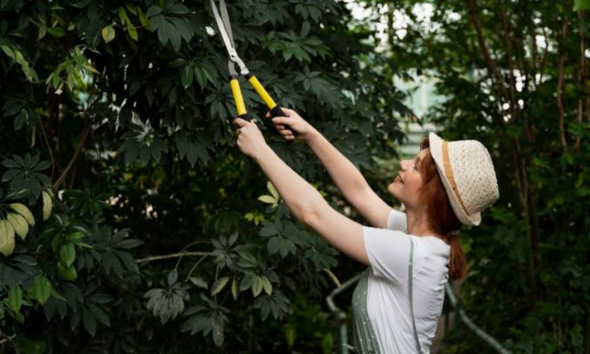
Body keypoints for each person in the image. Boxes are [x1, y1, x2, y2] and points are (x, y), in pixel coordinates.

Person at [232, 108, 499, 354]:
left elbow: (315, 214)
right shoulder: (414, 237)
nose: (404, 163)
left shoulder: (414, 255)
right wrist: (311, 134)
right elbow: (360, 192)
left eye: (416, 166)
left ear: (434, 195)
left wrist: (261, 151)